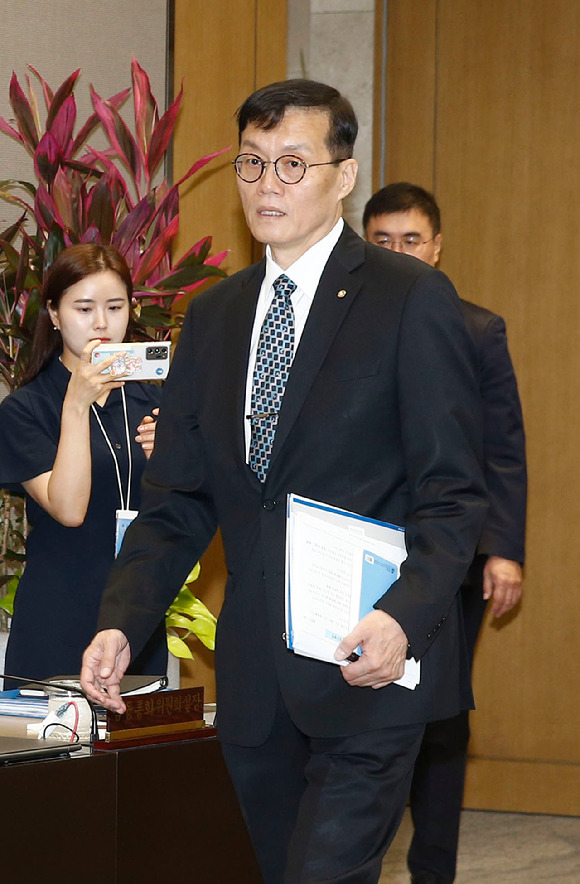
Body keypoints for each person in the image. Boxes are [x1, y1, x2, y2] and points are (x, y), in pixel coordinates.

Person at [81, 80, 488, 884]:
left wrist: (404, 618)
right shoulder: (215, 317)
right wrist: (125, 620)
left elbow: (453, 494)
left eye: (294, 164)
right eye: (254, 163)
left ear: (345, 176)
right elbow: (180, 499)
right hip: (259, 684)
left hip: (370, 665)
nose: (268, 184)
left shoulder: (411, 300)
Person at [364, 182, 527, 884]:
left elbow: (503, 449)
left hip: (451, 557)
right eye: (382, 242)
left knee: (441, 717)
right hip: (364, 551)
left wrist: (506, 550)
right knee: (365, 707)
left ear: (437, 246)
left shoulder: (477, 328)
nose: (399, 253)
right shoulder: (345, 328)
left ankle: (433, 871)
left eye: (411, 240)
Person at [0, 244, 167, 685]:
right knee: (54, 749)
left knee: (137, 750)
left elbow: (183, 510)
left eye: (114, 307)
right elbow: (69, 510)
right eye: (83, 308)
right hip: (58, 611)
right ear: (53, 314)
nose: (100, 323)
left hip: (134, 612)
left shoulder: (154, 398)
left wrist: (168, 460)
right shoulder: (25, 408)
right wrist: (75, 406)